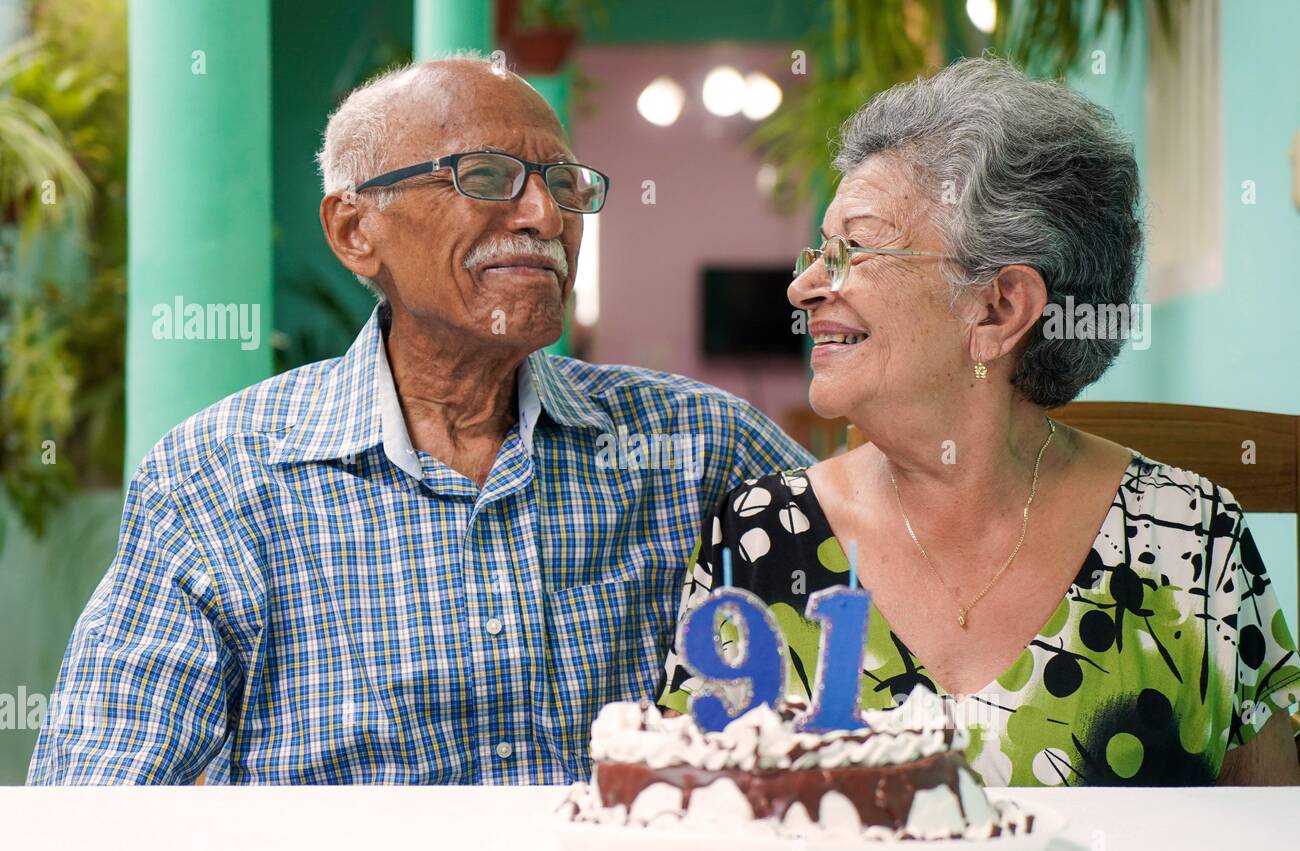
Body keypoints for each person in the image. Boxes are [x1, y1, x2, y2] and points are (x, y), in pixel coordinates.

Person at [28, 55, 810, 785]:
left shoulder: (701, 447)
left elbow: (882, 677)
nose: (544, 214)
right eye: (486, 176)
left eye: (564, 183)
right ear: (354, 231)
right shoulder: (221, 476)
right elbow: (100, 799)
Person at [658, 58, 1300, 786]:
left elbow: (1276, 846)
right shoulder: (757, 534)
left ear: (999, 309)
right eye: (818, 252)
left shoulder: (1191, 538)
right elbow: (701, 820)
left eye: (855, 249)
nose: (803, 287)